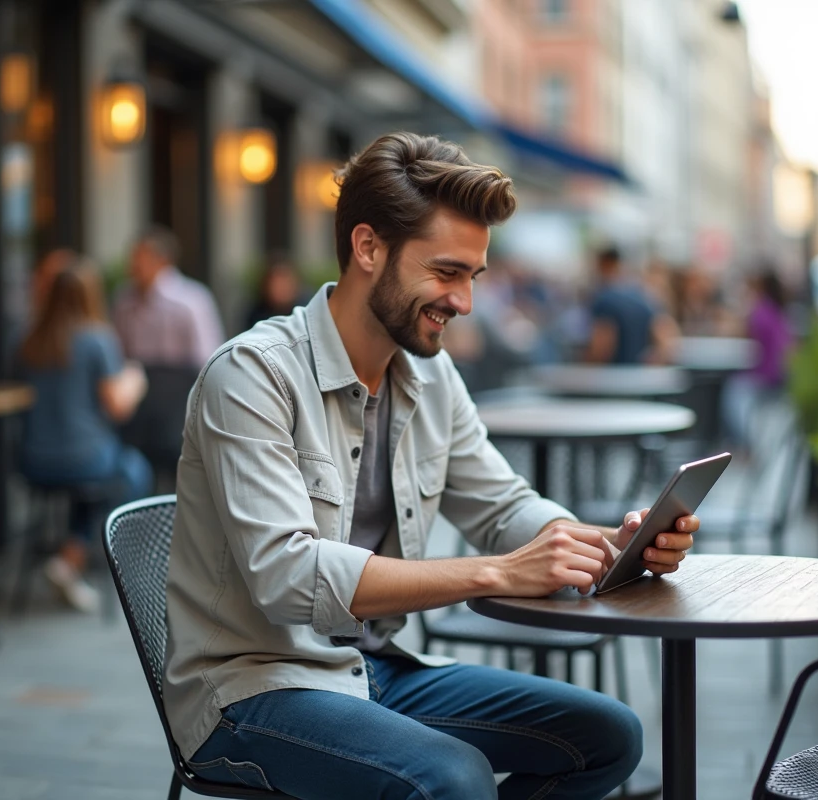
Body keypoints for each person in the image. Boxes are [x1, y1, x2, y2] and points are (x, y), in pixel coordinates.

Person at [165, 132, 699, 799]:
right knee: (451, 779)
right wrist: (496, 573)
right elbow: (286, 575)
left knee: (607, 737)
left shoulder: (428, 375)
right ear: (368, 248)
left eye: (472, 277)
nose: (465, 302)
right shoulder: (252, 375)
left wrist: (602, 547)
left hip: (375, 669)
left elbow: (501, 505)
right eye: (446, 273)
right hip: (250, 690)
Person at [16, 255, 152, 612]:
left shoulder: (29, 337)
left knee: (98, 478)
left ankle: (70, 559)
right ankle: (76, 555)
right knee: (133, 471)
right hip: (85, 458)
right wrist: (136, 378)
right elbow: (118, 406)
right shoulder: (96, 339)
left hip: (34, 460)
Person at [112, 225, 224, 368]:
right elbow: (118, 352)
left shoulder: (192, 299)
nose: (133, 265)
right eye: (133, 257)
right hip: (136, 382)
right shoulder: (124, 300)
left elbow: (206, 355)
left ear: (163, 260)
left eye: (140, 257)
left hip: (183, 383)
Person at [722, 268, 795, 448]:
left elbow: (741, 336)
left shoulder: (760, 312)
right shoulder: (775, 310)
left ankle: (746, 445)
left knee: (733, 395)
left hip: (766, 375)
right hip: (778, 373)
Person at [585, 246, 679, 365]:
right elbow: (666, 339)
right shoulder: (642, 295)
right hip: (639, 376)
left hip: (613, 377)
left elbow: (601, 348)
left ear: (603, 264)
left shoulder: (605, 299)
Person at [245, 251, 310, 329]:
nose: (282, 289)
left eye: (286, 282)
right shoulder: (256, 314)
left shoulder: (307, 312)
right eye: (276, 284)